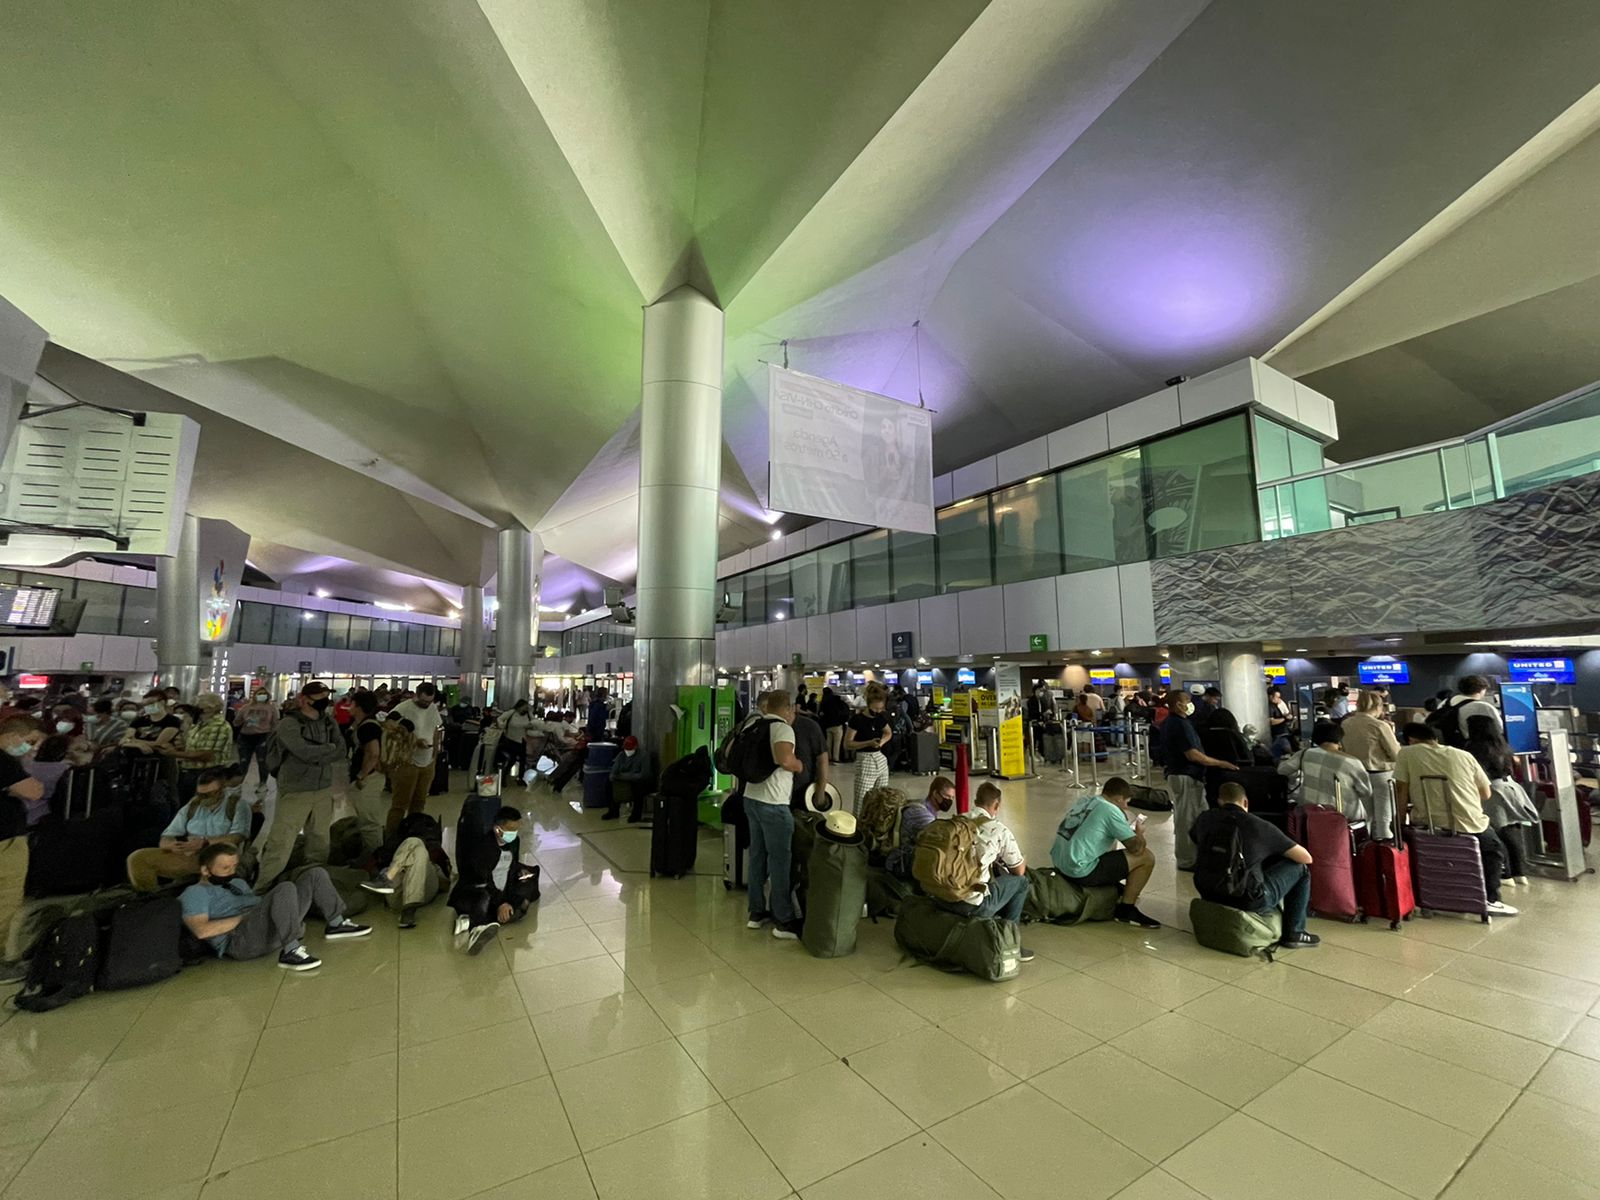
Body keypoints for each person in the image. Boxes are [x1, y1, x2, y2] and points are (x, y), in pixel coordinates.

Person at [181, 843, 370, 970]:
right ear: (205, 870)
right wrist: (245, 917)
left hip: (266, 925)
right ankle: (291, 951)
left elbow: (257, 903)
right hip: (240, 941)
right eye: (225, 868)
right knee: (285, 888)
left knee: (315, 874)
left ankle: (336, 923)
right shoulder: (194, 893)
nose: (232, 872)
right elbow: (201, 931)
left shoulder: (237, 883)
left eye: (234, 866)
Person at [1394, 722, 1517, 916]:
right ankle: (1490, 899)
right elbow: (1485, 793)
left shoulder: (1406, 754)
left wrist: (1399, 822)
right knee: (1493, 851)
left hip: (1427, 823)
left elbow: (1401, 790)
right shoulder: (1463, 755)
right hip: (1470, 823)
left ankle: (1428, 897)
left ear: (1410, 740)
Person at [1193, 781, 1319, 949]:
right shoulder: (1258, 825)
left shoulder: (1204, 818)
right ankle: (1295, 932)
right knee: (1300, 870)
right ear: (1245, 802)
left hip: (1208, 891)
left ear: (1219, 801)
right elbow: (1305, 858)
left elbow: (1196, 840)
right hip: (1246, 899)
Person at [252, 682, 345, 893]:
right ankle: (263, 888)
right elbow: (302, 751)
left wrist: (323, 750)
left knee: (320, 840)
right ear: (304, 699)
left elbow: (341, 749)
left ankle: (313, 884)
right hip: (296, 789)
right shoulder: (289, 724)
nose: (324, 699)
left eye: (325, 695)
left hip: (323, 787)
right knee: (281, 840)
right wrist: (327, 749)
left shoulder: (329, 722)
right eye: (319, 696)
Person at [935, 783, 1035, 960]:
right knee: (1021, 882)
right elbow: (1018, 870)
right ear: (996, 805)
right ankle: (1009, 942)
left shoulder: (957, 821)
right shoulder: (999, 830)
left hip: (942, 895)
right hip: (971, 904)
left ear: (975, 801)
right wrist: (1023, 860)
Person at [1051, 775, 1160, 928]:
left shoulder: (1085, 801)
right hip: (1079, 870)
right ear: (1119, 798)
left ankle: (1114, 888)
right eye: (1126, 802)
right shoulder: (1110, 810)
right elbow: (1136, 849)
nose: (1127, 807)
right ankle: (1126, 910)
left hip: (1060, 863)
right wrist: (1139, 832)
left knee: (1110, 845)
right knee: (1147, 857)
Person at [741, 690, 804, 939]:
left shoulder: (755, 724)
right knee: (780, 861)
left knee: (757, 857)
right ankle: (783, 920)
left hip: (751, 798)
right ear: (788, 708)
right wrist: (799, 765)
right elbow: (784, 759)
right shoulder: (782, 727)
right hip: (774, 803)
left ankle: (756, 913)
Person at [126, 766, 250, 890]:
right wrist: (170, 844)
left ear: (221, 789)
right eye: (200, 794)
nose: (203, 799)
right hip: (191, 855)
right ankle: (151, 899)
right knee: (138, 858)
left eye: (208, 794)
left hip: (219, 855)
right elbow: (168, 834)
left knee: (225, 853)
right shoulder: (194, 805)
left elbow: (237, 837)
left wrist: (205, 842)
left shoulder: (237, 805)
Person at [1161, 690, 1240, 870]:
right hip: (1185, 775)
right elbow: (1193, 754)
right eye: (1187, 700)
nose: (1191, 703)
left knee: (1194, 816)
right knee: (1186, 820)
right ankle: (1187, 860)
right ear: (1178, 704)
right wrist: (1220, 763)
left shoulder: (1175, 723)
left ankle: (1196, 856)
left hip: (1182, 774)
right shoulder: (1179, 725)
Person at [448, 805, 541, 954]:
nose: (513, 833)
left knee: (522, 903)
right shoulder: (483, 847)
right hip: (479, 891)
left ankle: (468, 920)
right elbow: (482, 879)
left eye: (516, 829)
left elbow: (511, 867)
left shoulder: (513, 842)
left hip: (501, 889)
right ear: (498, 828)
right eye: (510, 829)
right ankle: (476, 928)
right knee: (484, 898)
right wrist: (500, 902)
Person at [1464, 714, 1537, 888]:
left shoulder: (1475, 747)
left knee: (1496, 833)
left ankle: (1506, 873)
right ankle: (1521, 872)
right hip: (1511, 788)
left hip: (1492, 791)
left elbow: (1476, 774)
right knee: (1512, 830)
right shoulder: (1503, 745)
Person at [0, 716, 46, 983]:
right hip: (5, 842)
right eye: (28, 742)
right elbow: (34, 791)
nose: (29, 749)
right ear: (14, 736)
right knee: (5, 899)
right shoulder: (4, 761)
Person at [360, 812, 454, 928]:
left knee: (416, 847)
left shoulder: (396, 847)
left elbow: (445, 884)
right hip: (406, 893)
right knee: (417, 848)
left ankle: (385, 879)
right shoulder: (432, 849)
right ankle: (409, 910)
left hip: (417, 890)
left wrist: (419, 867)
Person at [1277, 720, 1371, 826]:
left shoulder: (1305, 754)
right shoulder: (1352, 762)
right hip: (1344, 815)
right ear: (1339, 739)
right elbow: (1366, 791)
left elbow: (1282, 770)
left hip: (1310, 813)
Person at [1339, 690, 1401, 839]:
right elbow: (1396, 754)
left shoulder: (1345, 723)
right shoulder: (1379, 725)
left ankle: (1367, 849)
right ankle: (1385, 853)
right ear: (1379, 707)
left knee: (1366, 817)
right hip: (1381, 776)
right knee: (1384, 820)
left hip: (1356, 774)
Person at [388, 683, 444, 832]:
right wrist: (414, 740)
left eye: (429, 701)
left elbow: (436, 728)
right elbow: (389, 726)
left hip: (428, 761)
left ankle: (413, 833)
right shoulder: (403, 708)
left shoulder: (432, 708)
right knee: (400, 804)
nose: (427, 705)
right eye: (423, 701)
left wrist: (436, 752)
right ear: (416, 695)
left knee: (419, 802)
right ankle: (392, 837)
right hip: (407, 761)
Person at [885, 776, 955, 879]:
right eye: (947, 796)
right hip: (901, 862)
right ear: (935, 794)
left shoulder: (926, 808)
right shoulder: (919, 813)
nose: (949, 801)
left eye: (952, 798)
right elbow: (938, 837)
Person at [346, 690, 387, 857]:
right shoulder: (362, 724)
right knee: (366, 820)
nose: (349, 706)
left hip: (368, 779)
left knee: (369, 823)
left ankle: (375, 859)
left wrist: (361, 776)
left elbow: (373, 753)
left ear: (359, 707)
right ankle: (369, 854)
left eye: (352, 703)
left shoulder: (368, 726)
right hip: (367, 777)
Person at [844, 681, 893, 811]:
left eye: (880, 709)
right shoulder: (857, 720)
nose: (877, 712)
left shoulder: (881, 718)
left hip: (880, 759)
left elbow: (888, 732)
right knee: (862, 800)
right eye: (875, 709)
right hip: (865, 760)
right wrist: (868, 743)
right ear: (868, 704)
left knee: (881, 799)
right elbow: (848, 743)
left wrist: (881, 742)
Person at [232, 685, 279, 795]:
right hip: (246, 736)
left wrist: (273, 737)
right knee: (243, 762)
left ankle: (263, 783)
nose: (262, 696)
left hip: (263, 736)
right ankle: (238, 784)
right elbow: (237, 721)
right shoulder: (246, 707)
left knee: (262, 761)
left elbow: (275, 723)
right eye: (259, 694)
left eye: (264, 694)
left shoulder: (271, 708)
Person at [1431, 675, 1502, 745]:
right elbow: (1499, 729)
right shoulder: (1484, 707)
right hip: (1475, 748)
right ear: (1482, 689)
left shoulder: (1445, 703)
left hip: (1448, 746)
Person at [788, 698, 830, 812]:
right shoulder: (774, 726)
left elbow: (822, 760)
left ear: (792, 708)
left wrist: (820, 790)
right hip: (777, 793)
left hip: (803, 790)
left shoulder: (810, 726)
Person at [122, 688, 183, 755]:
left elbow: (158, 744)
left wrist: (133, 741)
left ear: (162, 702)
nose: (147, 707)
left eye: (150, 703)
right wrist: (138, 745)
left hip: (160, 758)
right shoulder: (139, 720)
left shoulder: (173, 720)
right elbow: (123, 741)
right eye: (144, 705)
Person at [604, 735, 651, 821]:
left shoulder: (644, 756)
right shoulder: (621, 755)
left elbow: (644, 775)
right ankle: (613, 811)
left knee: (639, 788)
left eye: (630, 748)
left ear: (636, 746)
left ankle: (636, 815)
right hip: (625, 779)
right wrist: (617, 776)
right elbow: (614, 772)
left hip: (638, 781)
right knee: (609, 784)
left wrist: (624, 776)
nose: (628, 751)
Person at [494, 698, 535, 785]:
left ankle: (520, 778)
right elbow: (500, 719)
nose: (526, 709)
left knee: (522, 760)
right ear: (520, 706)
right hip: (511, 739)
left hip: (522, 740)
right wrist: (502, 726)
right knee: (512, 759)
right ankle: (504, 776)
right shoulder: (511, 713)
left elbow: (534, 722)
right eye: (525, 707)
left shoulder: (528, 715)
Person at [819, 687, 850, 764]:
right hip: (837, 725)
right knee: (837, 743)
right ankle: (836, 758)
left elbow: (821, 713)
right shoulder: (837, 701)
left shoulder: (823, 702)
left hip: (827, 725)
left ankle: (829, 757)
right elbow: (844, 711)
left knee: (828, 743)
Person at [1266, 687, 1294, 759]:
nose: (1279, 699)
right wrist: (1285, 718)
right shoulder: (1270, 707)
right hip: (1279, 735)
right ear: (1271, 696)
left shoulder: (1276, 705)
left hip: (1283, 733)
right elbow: (1271, 722)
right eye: (1277, 697)